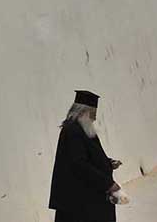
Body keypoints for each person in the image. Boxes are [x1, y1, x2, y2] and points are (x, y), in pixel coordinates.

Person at [49, 90, 129, 220]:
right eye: (93, 114)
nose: (94, 118)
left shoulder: (81, 129)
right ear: (83, 112)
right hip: (79, 202)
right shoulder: (73, 131)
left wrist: (108, 163)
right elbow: (79, 164)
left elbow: (88, 157)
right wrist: (108, 184)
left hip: (84, 200)